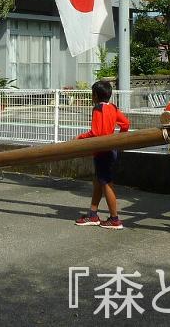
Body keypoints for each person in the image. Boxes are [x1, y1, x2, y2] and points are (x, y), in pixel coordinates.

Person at [74, 80, 130, 230]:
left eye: (92, 94)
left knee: (106, 182)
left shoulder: (98, 108)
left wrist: (80, 138)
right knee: (99, 181)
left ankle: (114, 219)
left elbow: (96, 132)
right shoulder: (113, 107)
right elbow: (125, 124)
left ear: (95, 95)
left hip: (102, 150)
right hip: (111, 149)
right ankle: (93, 214)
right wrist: (119, 139)